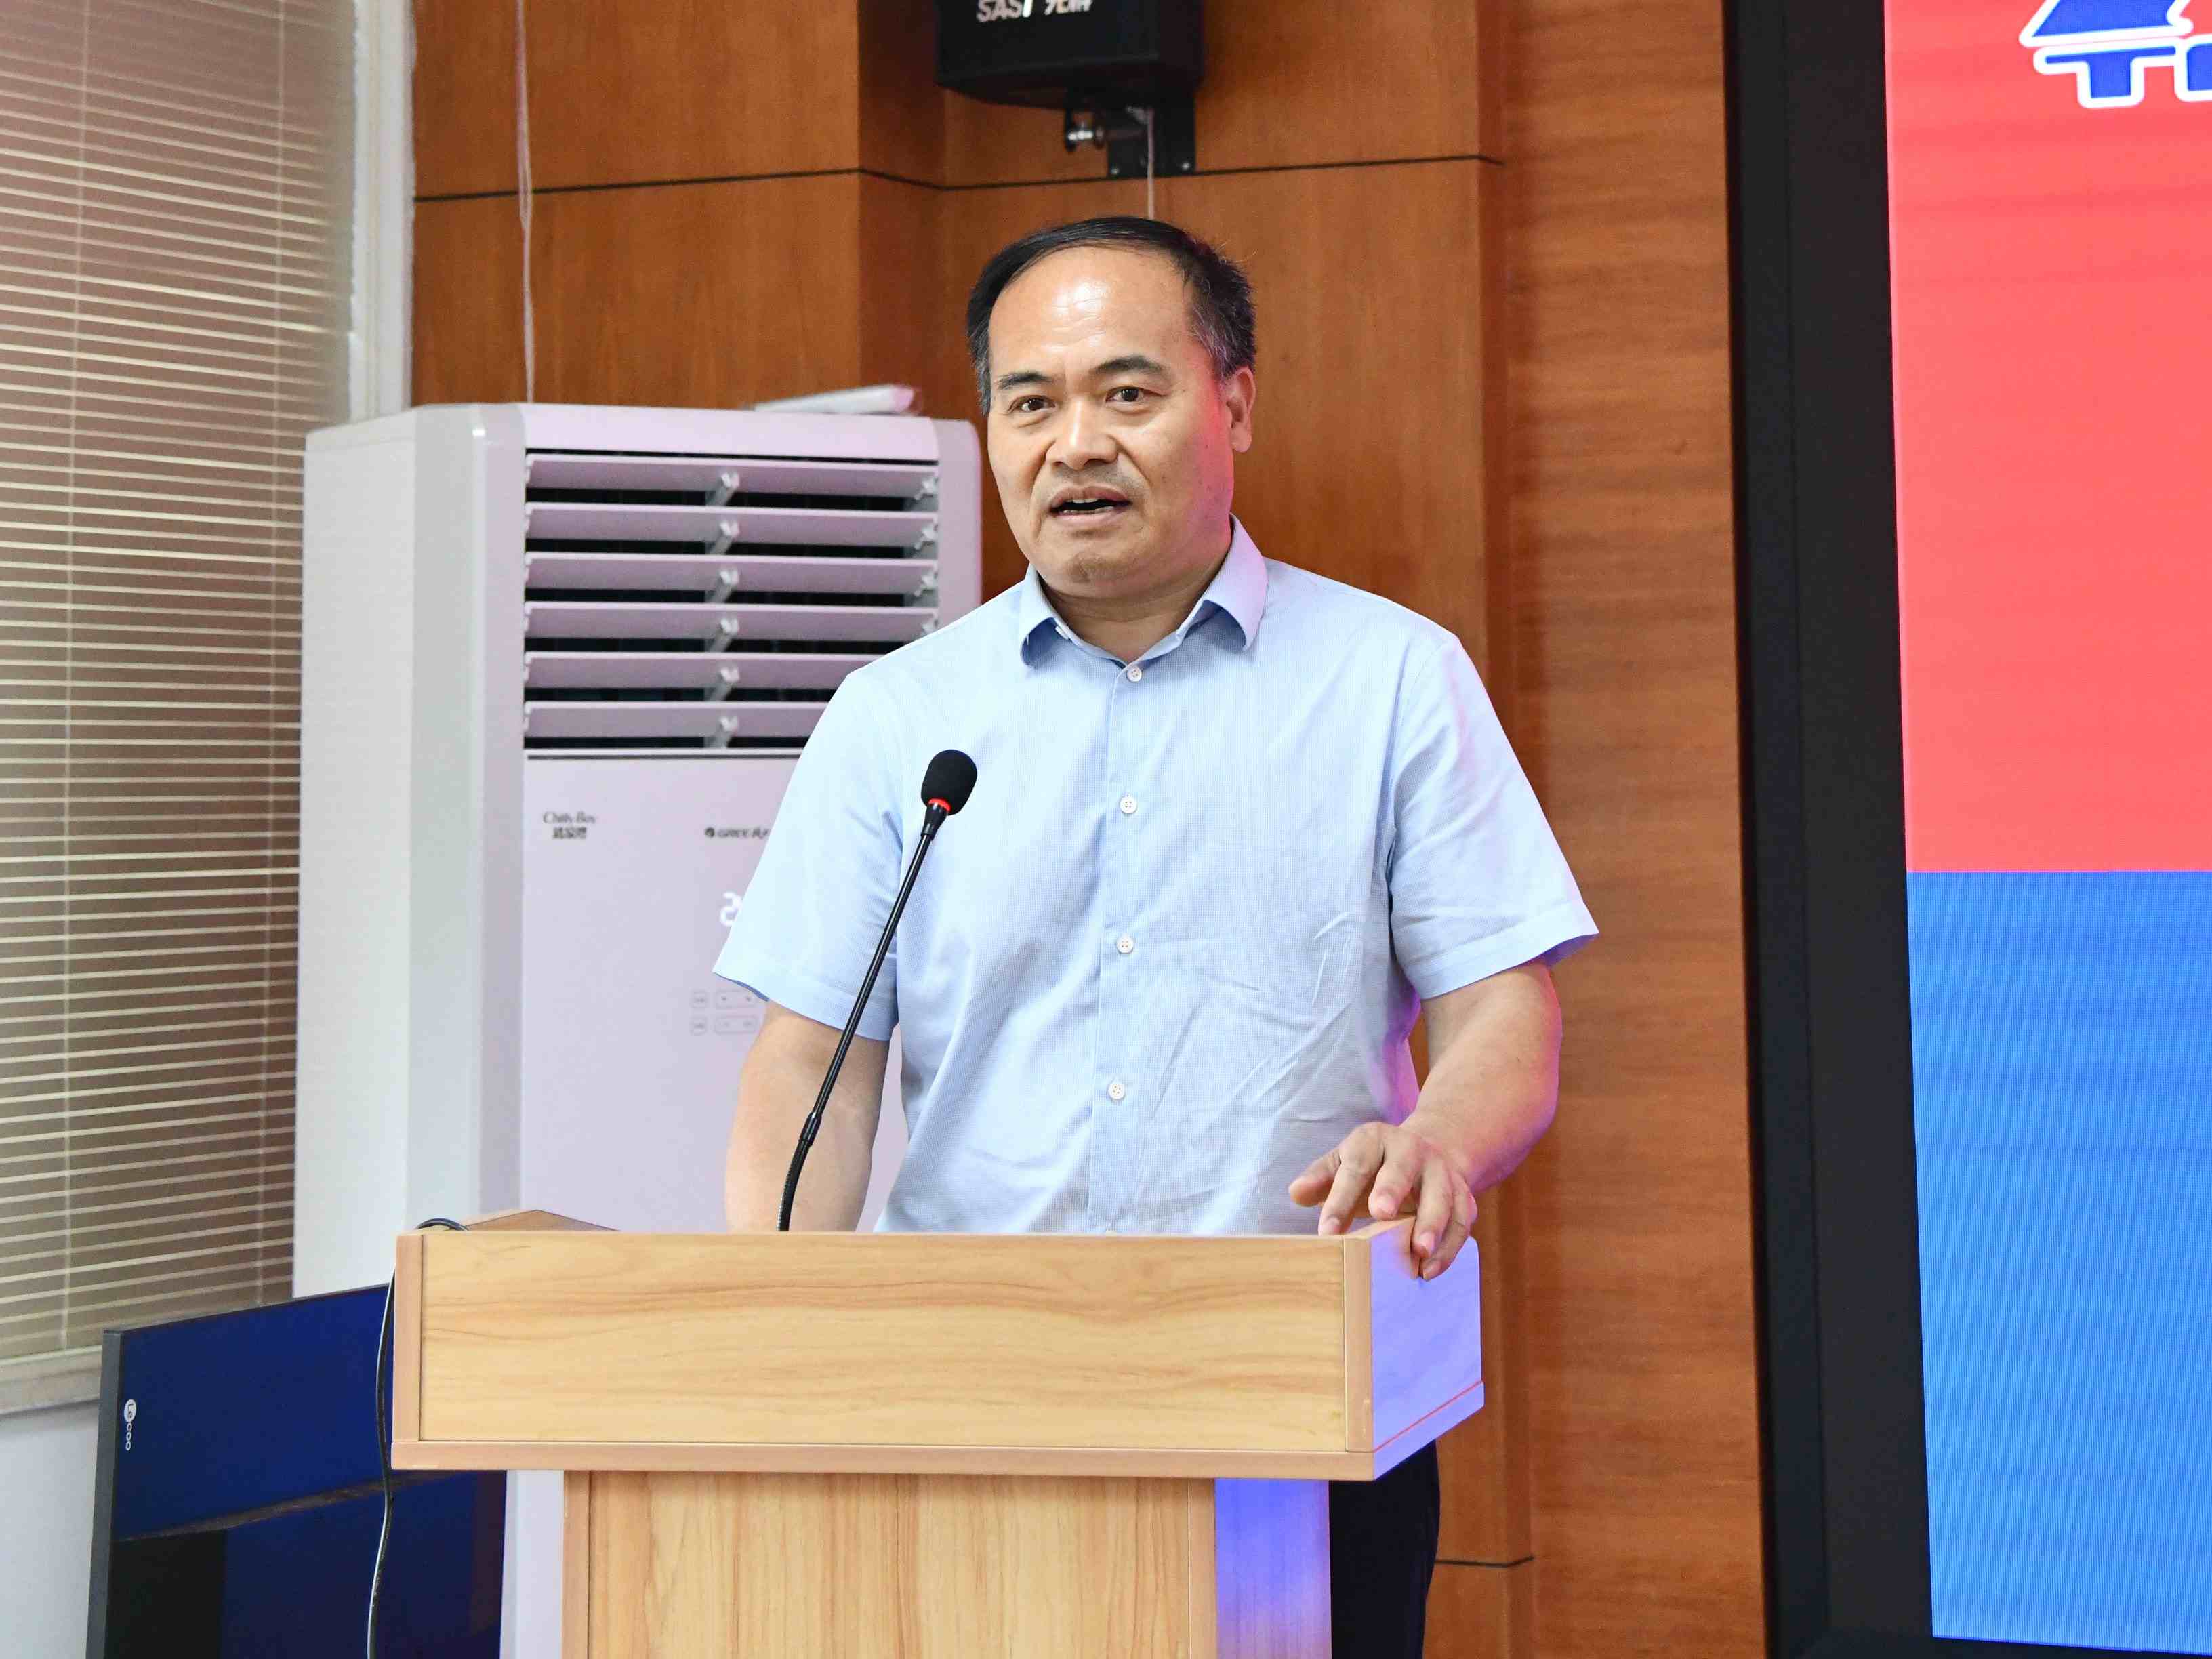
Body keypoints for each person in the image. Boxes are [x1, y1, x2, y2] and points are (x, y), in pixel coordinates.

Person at [716, 215, 1595, 1658]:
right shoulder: (899, 717)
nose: (1077, 444)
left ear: (1233, 402)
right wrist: (768, 1340)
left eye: (1127, 393)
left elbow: (1507, 1008)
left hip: (1292, 1394)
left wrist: (1437, 1142)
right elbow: (814, 1061)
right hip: (965, 1397)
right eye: (1031, 403)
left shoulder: (1391, 680)